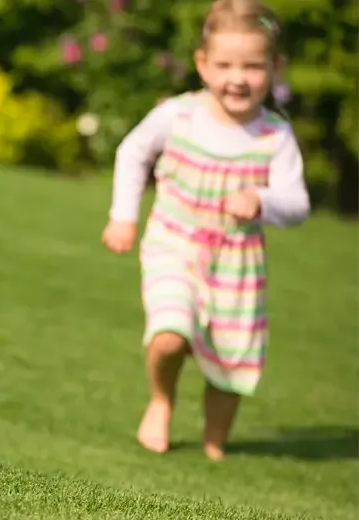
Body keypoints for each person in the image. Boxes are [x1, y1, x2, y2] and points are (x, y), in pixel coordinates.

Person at [100, 0, 310, 461]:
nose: (238, 77)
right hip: (175, 244)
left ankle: (216, 439)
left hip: (237, 264)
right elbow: (133, 151)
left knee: (231, 359)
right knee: (170, 333)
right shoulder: (178, 116)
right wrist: (123, 215)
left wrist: (261, 200)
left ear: (275, 68)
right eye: (225, 64)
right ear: (202, 64)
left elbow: (298, 205)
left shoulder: (275, 136)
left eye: (253, 66)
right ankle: (161, 399)